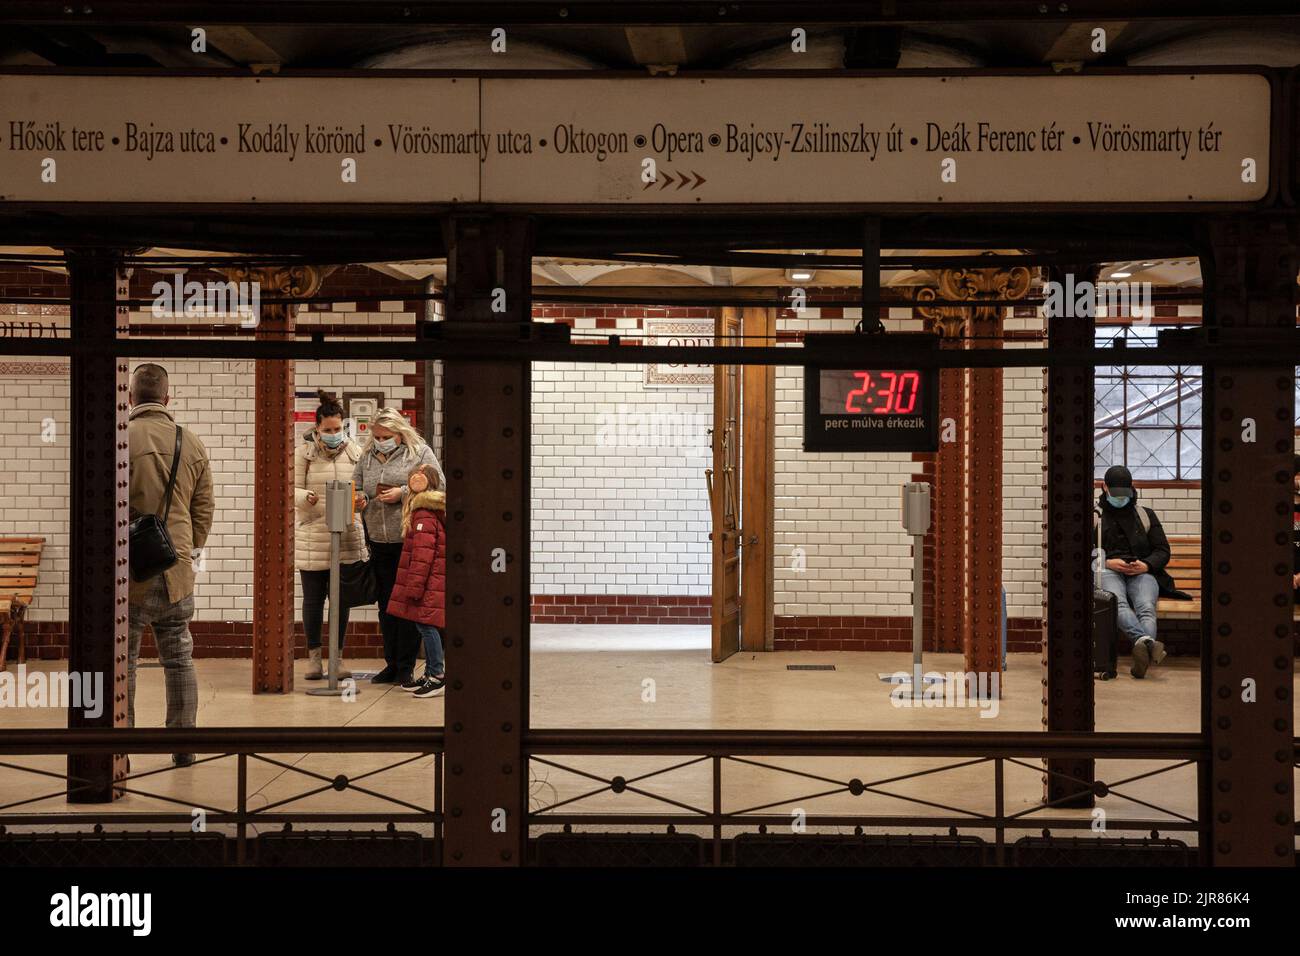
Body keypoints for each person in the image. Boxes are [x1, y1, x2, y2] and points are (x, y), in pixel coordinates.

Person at [127, 363, 213, 767]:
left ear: (130, 398)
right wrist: (185, 548)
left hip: (129, 569)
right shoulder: (190, 442)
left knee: (121, 659)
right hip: (176, 568)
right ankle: (182, 745)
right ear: (167, 398)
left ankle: (117, 744)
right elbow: (204, 507)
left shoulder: (120, 438)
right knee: (178, 657)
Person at [353, 408, 444, 684]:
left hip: (409, 541)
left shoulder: (419, 453)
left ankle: (405, 665)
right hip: (378, 541)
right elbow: (357, 486)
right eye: (377, 436)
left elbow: (439, 486)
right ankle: (391, 663)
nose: (381, 440)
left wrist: (402, 493)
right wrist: (360, 498)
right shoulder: (366, 458)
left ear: (400, 433)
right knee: (386, 606)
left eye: (386, 436)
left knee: (407, 606)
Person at [294, 389, 368, 681]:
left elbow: (363, 487)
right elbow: (291, 488)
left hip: (346, 535)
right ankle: (313, 658)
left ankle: (337, 657)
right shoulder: (303, 455)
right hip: (313, 534)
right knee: (313, 599)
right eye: (328, 430)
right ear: (317, 429)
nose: (334, 434)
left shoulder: (356, 452)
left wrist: (362, 499)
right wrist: (304, 497)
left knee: (341, 600)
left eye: (338, 429)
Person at [1096, 464, 1180, 679]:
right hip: (1108, 570)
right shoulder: (1095, 516)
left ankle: (1142, 645)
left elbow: (1162, 550)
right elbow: (1081, 551)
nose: (1120, 498)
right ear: (1104, 487)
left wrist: (1146, 565)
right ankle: (1147, 644)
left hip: (1141, 570)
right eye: (1116, 494)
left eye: (1125, 494)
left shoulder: (1145, 515)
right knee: (1117, 602)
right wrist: (1107, 562)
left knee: (1146, 607)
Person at [387, 464, 447, 699]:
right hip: (432, 581)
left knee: (426, 626)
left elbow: (423, 556)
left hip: (428, 582)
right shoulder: (430, 509)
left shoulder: (423, 513)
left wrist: (414, 586)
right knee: (425, 624)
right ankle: (431, 671)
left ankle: (437, 676)